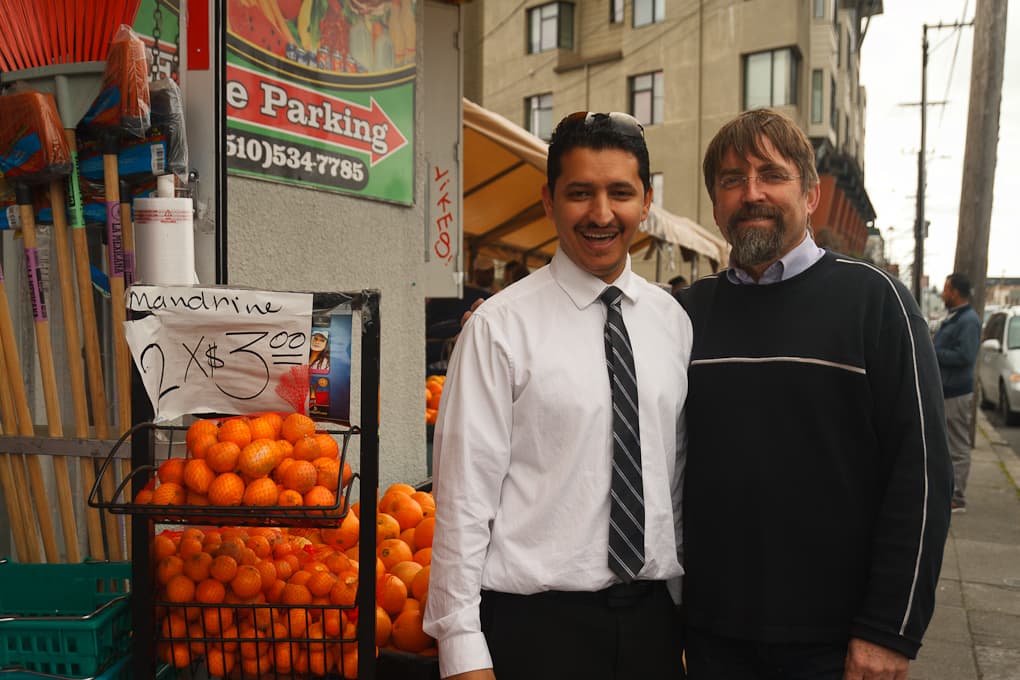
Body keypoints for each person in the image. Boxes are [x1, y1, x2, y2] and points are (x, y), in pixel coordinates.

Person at [677, 108, 953, 679]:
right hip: (708, 639)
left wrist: (890, 629)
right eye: (732, 180)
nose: (751, 193)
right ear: (715, 204)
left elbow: (922, 475)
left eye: (771, 175)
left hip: (835, 646)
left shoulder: (877, 303)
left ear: (810, 195)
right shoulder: (684, 314)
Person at [423, 111, 692, 680]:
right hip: (536, 632)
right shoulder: (499, 327)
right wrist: (461, 647)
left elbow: (674, 475)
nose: (601, 214)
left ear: (645, 202)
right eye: (579, 193)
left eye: (620, 192)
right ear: (549, 201)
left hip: (652, 630)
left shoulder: (673, 322)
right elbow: (463, 501)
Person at [933, 272, 982, 513]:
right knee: (949, 443)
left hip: (957, 392)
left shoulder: (968, 321)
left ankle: (958, 497)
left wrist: (934, 351)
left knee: (958, 444)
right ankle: (949, 491)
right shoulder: (956, 318)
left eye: (945, 288)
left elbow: (965, 356)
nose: (943, 293)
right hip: (948, 389)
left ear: (954, 292)